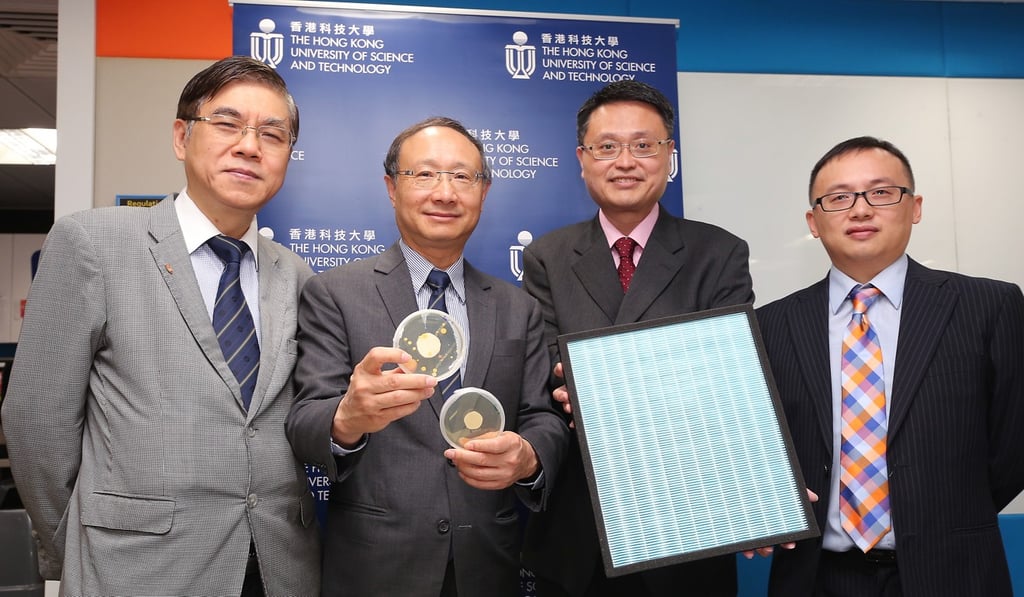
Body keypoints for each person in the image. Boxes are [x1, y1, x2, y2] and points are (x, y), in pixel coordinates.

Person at [0, 56, 320, 596]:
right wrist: (78, 541)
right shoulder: (94, 244)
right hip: (134, 567)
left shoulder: (296, 275)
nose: (249, 145)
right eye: (227, 123)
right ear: (181, 136)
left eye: (273, 133)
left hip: (275, 566)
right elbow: (37, 419)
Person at [284, 116, 569, 597]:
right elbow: (305, 419)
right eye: (424, 175)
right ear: (392, 188)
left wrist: (528, 457)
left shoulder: (516, 305)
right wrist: (348, 417)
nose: (445, 192)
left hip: (489, 563)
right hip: (377, 566)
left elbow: (541, 415)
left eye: (462, 176)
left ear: (484, 191)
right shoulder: (335, 293)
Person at [757, 136, 1024, 596]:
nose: (860, 210)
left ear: (915, 207)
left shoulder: (990, 306)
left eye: (881, 193)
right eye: (838, 198)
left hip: (954, 573)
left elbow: (1014, 448)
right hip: (815, 578)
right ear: (814, 222)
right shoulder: (770, 325)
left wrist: (944, 516)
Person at [520, 80, 754, 596]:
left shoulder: (718, 254)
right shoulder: (548, 259)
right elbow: (544, 379)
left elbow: (728, 380)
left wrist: (601, 393)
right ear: (582, 159)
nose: (625, 161)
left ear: (669, 156)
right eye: (607, 147)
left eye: (644, 145)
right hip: (581, 525)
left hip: (692, 520)